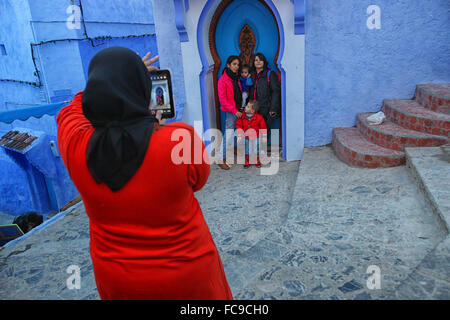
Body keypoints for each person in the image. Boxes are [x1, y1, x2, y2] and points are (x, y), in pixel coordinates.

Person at [56, 47, 232, 300]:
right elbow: (199, 180)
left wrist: (109, 78)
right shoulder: (179, 140)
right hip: (186, 275)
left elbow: (71, 111)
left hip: (119, 281)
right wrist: (153, 128)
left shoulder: (75, 145)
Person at [217, 55, 242, 170]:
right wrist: (234, 110)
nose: (236, 67)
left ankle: (234, 148)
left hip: (238, 109)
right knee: (229, 132)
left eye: (237, 64)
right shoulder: (223, 80)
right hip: (232, 111)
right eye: (234, 64)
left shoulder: (235, 77)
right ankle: (220, 157)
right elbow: (223, 100)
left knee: (237, 130)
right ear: (228, 65)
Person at [248, 53, 281, 131]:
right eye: (256, 60)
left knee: (264, 130)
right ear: (253, 62)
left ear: (264, 62)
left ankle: (264, 143)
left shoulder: (270, 74)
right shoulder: (251, 75)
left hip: (266, 108)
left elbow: (275, 91)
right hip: (254, 109)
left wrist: (273, 108)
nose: (258, 62)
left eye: (260, 60)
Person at [236, 100, 267, 168]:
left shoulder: (259, 117)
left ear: (253, 110)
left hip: (257, 137)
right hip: (247, 137)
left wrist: (264, 136)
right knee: (247, 149)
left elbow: (263, 127)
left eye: (248, 106)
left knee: (256, 149)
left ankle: (257, 160)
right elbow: (239, 126)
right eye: (246, 106)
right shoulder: (242, 116)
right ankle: (248, 161)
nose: (245, 107)